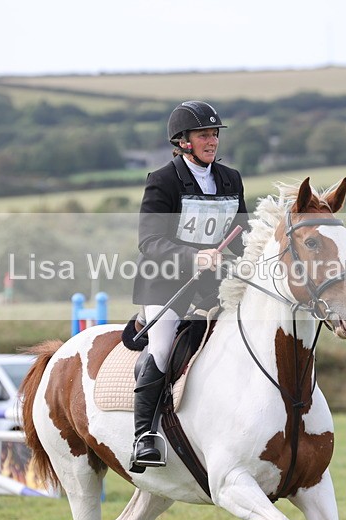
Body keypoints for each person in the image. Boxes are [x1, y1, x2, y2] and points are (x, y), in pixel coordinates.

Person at [130, 101, 249, 469]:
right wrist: (194, 256)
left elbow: (241, 234)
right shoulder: (163, 180)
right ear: (183, 142)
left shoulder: (230, 179)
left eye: (214, 134)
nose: (212, 141)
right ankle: (144, 435)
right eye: (203, 135)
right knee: (162, 347)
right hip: (166, 281)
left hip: (214, 281)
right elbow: (149, 241)